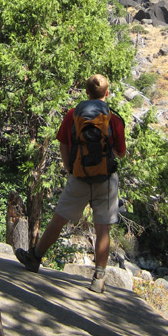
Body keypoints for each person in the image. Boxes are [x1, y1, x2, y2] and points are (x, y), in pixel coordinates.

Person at [16, 74, 126, 293]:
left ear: (86, 93)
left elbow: (64, 144)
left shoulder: (72, 115)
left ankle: (34, 258)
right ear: (106, 93)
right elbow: (120, 153)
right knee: (102, 227)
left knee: (59, 218)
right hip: (106, 178)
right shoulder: (113, 119)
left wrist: (70, 168)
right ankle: (99, 279)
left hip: (79, 175)